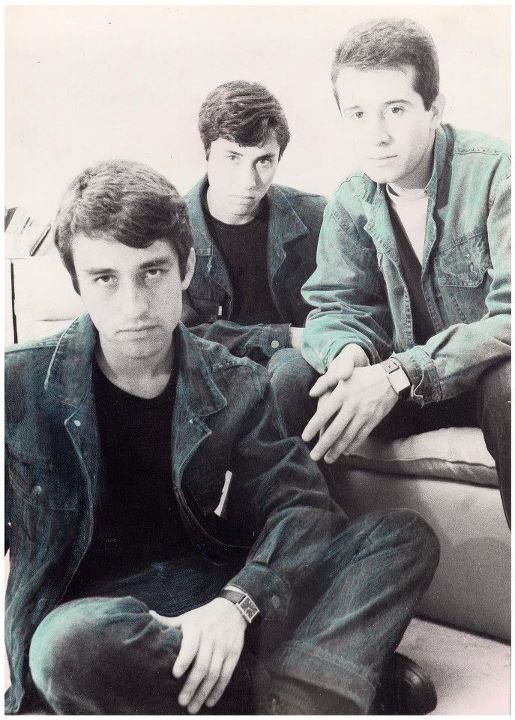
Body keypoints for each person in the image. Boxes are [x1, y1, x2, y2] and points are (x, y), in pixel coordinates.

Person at [5, 159, 440, 715]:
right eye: (105, 278)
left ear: (186, 267)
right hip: (97, 616)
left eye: (153, 271)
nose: (134, 306)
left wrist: (237, 604)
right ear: (77, 284)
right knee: (65, 649)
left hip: (213, 589)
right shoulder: (16, 383)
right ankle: (313, 680)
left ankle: (292, 680)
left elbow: (302, 508)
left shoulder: (233, 380)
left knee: (402, 538)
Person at [296, 18, 510, 525]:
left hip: (476, 383)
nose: (377, 136)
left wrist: (397, 374)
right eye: (357, 114)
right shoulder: (351, 199)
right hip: (407, 393)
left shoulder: (497, 173)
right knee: (289, 378)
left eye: (395, 109)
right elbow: (335, 306)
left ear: (435, 108)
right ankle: (315, 554)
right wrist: (347, 354)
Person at [182, 80, 327, 405]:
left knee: (291, 373)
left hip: (294, 378)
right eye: (232, 158)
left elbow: (347, 306)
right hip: (210, 378)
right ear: (207, 154)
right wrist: (283, 336)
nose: (248, 182)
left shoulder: (317, 217)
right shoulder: (171, 230)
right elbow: (179, 338)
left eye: (263, 161)